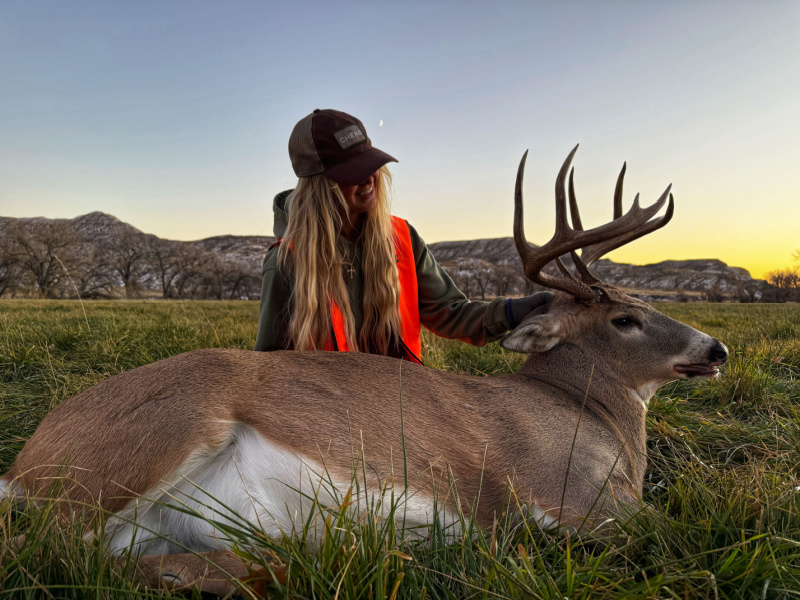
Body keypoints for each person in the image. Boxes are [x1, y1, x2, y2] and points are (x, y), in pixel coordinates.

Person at [254, 109, 551, 362]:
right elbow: (267, 369)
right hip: (330, 408)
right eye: (352, 172)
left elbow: (449, 312)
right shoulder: (286, 261)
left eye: (369, 164)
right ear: (319, 185)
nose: (368, 178)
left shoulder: (403, 238)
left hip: (402, 399)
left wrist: (514, 311)